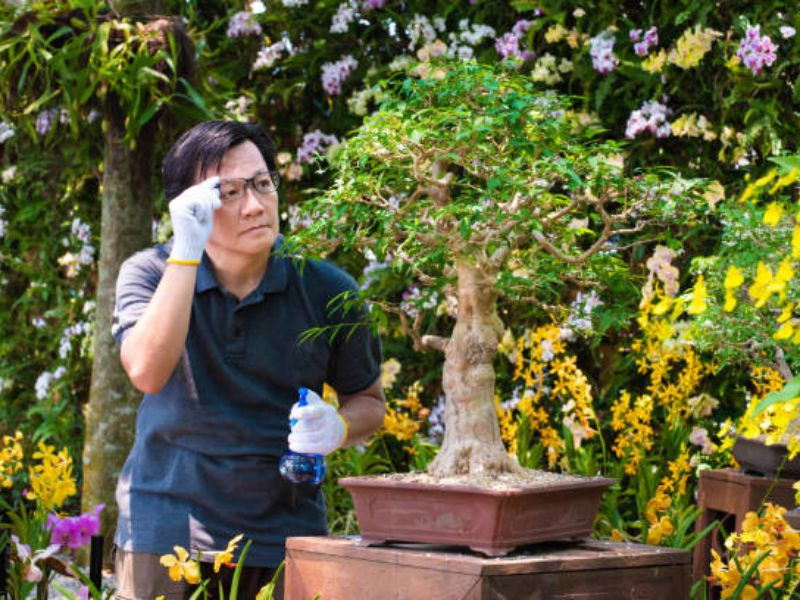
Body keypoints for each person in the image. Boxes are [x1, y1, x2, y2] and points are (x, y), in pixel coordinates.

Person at [110, 121, 385, 599]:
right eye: (229, 192)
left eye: (261, 184)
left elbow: (369, 401)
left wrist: (336, 427)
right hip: (167, 534)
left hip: (284, 535)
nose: (255, 205)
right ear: (189, 205)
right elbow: (147, 371)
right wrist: (186, 253)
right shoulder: (150, 274)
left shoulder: (325, 288)